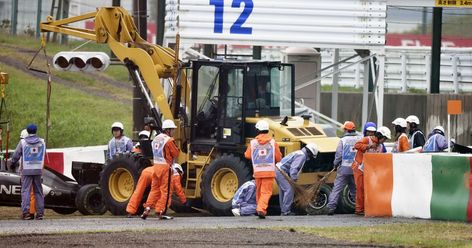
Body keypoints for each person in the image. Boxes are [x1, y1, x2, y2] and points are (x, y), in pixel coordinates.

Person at [141, 119, 180, 219]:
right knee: (165, 191)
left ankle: (147, 208)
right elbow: (176, 153)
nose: (173, 132)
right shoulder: (169, 140)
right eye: (172, 130)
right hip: (165, 168)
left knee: (154, 190)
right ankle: (161, 211)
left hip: (156, 167)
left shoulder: (156, 138)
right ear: (168, 130)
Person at [244, 120, 282, 218]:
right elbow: (278, 158)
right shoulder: (273, 143)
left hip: (257, 172)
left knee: (259, 192)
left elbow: (247, 155)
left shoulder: (253, 143)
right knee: (266, 192)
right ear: (267, 130)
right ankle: (261, 209)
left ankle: (260, 209)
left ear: (258, 130)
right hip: (268, 172)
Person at [352, 126, 390, 216]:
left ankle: (368, 207)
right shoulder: (367, 139)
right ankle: (359, 209)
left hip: (369, 170)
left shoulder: (380, 146)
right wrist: (368, 146)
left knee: (369, 189)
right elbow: (356, 145)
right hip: (359, 167)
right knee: (360, 189)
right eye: (384, 139)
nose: (384, 141)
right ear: (380, 136)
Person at [10, 124, 46, 220]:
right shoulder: (42, 141)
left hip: (26, 169)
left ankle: (26, 213)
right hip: (38, 169)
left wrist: (12, 163)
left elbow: (16, 155)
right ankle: (40, 214)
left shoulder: (23, 142)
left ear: (27, 131)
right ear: (36, 131)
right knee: (38, 191)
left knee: (26, 191)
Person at [327, 121, 361, 215]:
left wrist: (335, 164)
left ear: (346, 130)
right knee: (355, 189)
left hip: (344, 169)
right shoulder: (359, 139)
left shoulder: (343, 140)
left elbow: (338, 154)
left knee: (337, 189)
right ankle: (359, 207)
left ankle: (331, 207)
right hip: (355, 169)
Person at [276, 143, 318, 216]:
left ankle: (283, 210)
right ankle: (285, 211)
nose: (310, 158)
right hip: (281, 171)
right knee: (289, 190)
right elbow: (294, 168)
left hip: (278, 170)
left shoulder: (299, 152)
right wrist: (294, 179)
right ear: (309, 153)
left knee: (283, 190)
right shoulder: (301, 156)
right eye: (311, 156)